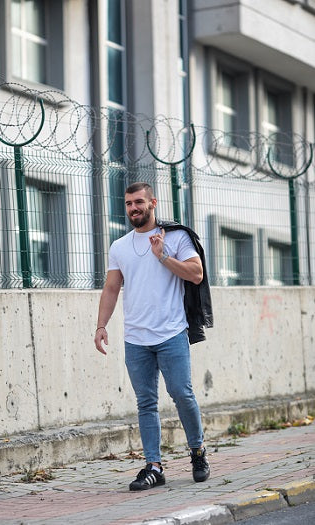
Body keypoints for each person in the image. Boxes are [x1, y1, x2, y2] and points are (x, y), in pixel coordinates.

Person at [94, 182, 211, 491]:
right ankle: (154, 466)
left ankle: (198, 452)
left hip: (171, 332)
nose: (134, 208)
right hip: (136, 338)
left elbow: (196, 273)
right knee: (146, 403)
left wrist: (162, 256)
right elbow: (111, 288)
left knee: (181, 394)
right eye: (129, 203)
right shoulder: (119, 246)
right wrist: (101, 325)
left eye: (139, 202)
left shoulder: (175, 237)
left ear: (153, 203)